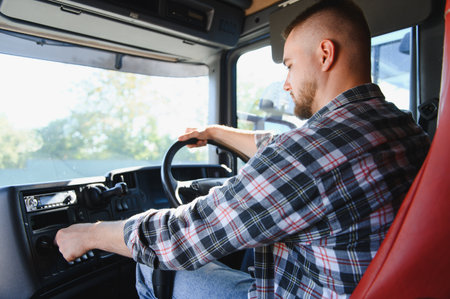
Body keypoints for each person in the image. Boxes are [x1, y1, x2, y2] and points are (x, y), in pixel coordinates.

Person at [54, 0, 431, 298]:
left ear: (325, 54)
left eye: (289, 65)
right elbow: (285, 149)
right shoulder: (403, 128)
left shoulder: (306, 157)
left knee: (153, 266)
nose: (286, 83)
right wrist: (215, 133)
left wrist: (88, 233)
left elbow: (182, 236)